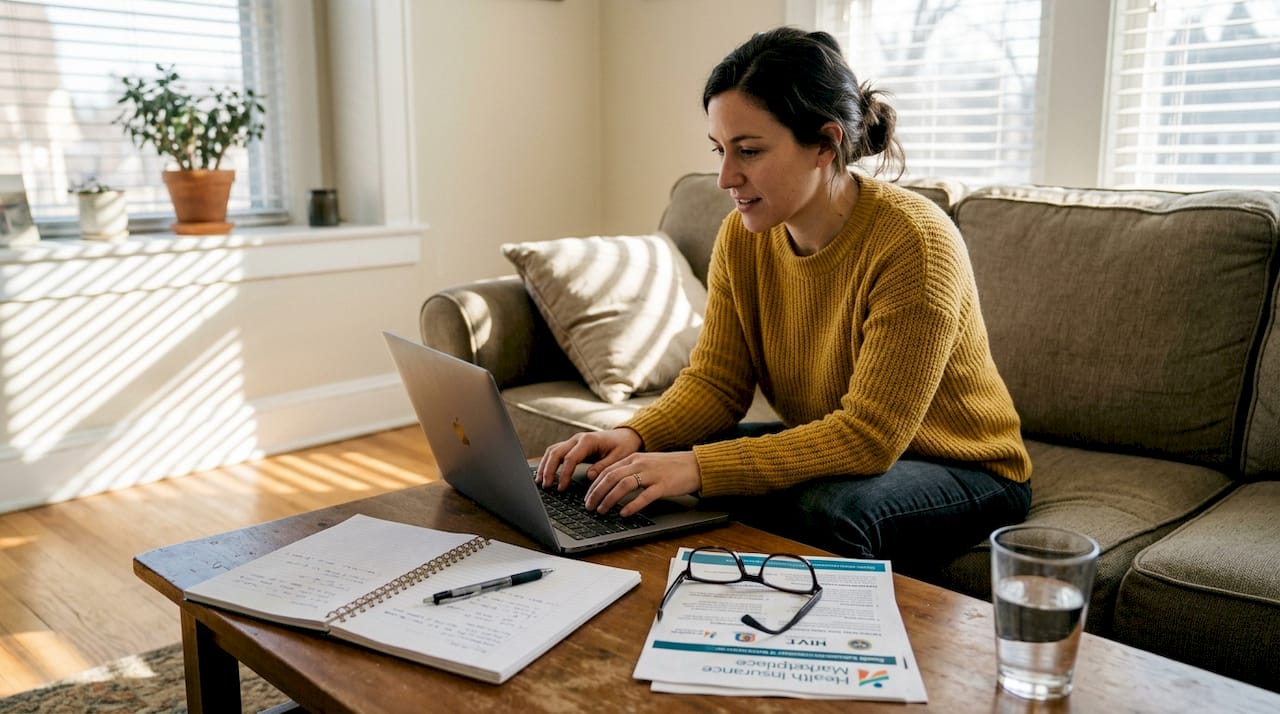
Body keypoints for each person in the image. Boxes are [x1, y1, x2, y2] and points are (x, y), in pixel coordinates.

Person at [535, 26, 1031, 572]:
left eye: (748, 151)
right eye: (720, 150)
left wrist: (696, 468)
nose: (726, 176)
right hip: (838, 438)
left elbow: (869, 439)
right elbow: (716, 385)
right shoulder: (742, 238)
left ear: (826, 143)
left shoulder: (914, 243)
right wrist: (633, 435)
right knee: (637, 474)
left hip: (966, 466)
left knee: (821, 508)